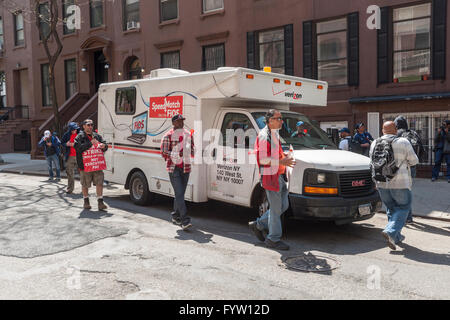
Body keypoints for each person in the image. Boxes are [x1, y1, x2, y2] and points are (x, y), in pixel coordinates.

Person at [248, 109, 296, 251]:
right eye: (278, 118)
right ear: (269, 120)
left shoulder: (274, 133)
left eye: (281, 118)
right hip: (271, 176)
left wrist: (284, 155)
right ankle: (273, 239)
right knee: (276, 209)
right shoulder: (264, 135)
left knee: (283, 206)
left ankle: (259, 225)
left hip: (279, 175)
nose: (282, 121)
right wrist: (282, 162)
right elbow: (263, 159)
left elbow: (273, 154)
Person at [369, 121, 418, 251]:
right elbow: (414, 161)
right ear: (395, 129)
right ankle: (390, 231)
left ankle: (395, 237)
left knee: (391, 208)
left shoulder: (374, 142)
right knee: (403, 207)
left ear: (382, 130)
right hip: (400, 182)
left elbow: (372, 163)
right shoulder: (403, 142)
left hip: (381, 182)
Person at [160, 114, 195, 231]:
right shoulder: (168, 136)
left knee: (179, 194)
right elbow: (164, 152)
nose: (181, 123)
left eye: (182, 121)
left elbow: (193, 150)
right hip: (173, 168)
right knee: (179, 194)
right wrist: (176, 154)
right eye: (179, 121)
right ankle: (185, 220)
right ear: (174, 123)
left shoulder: (188, 134)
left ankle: (175, 216)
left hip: (186, 168)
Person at [394, 116, 425, 224]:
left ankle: (407, 217)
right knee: (407, 190)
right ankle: (407, 216)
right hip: (412, 167)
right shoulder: (414, 133)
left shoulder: (398, 134)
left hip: (402, 168)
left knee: (401, 193)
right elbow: (422, 150)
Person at [74, 119, 109, 211]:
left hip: (97, 164)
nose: (90, 126)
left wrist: (104, 146)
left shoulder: (97, 136)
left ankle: (100, 202)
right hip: (85, 166)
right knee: (85, 184)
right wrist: (90, 143)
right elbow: (78, 148)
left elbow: (105, 144)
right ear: (84, 126)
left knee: (99, 183)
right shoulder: (79, 137)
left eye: (91, 125)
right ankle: (86, 201)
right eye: (88, 125)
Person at [61, 122, 80, 194]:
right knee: (70, 173)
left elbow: (85, 143)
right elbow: (62, 143)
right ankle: (70, 189)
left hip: (79, 155)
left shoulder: (80, 134)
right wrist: (66, 144)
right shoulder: (66, 135)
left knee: (82, 173)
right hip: (70, 156)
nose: (74, 131)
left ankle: (85, 188)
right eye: (72, 130)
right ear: (70, 129)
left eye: (75, 129)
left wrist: (76, 145)